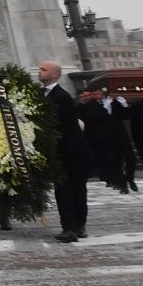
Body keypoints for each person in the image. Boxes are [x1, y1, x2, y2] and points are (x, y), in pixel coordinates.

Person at [41, 61, 90, 243]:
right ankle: (73, 226)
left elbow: (64, 126)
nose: (40, 72)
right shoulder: (44, 95)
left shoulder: (61, 96)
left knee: (73, 189)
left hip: (70, 151)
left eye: (43, 70)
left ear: (54, 75)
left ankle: (74, 227)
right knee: (65, 190)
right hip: (61, 151)